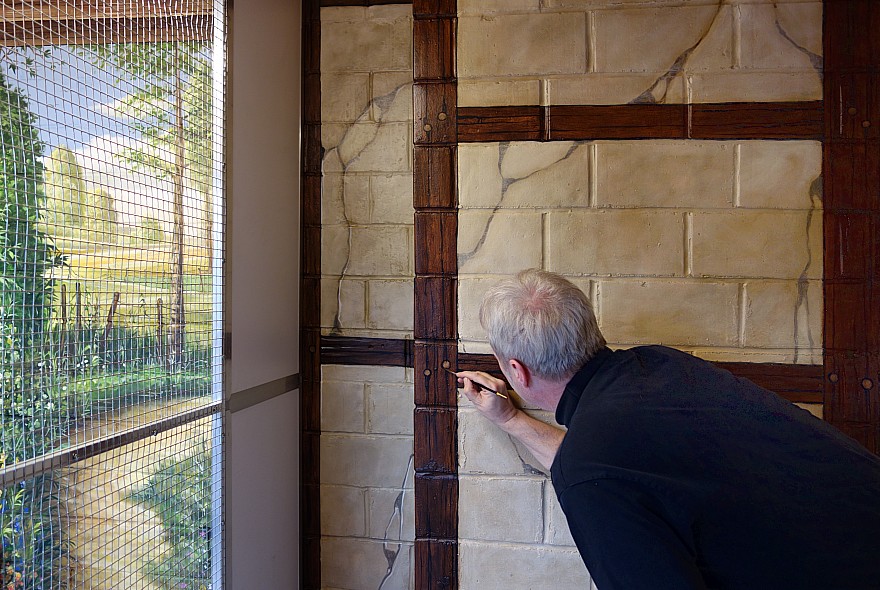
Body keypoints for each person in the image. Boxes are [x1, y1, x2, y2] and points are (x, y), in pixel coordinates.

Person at [454, 268, 880, 590]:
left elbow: (598, 470)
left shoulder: (593, 464)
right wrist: (510, 419)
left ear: (517, 371)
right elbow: (609, 468)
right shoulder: (659, 365)